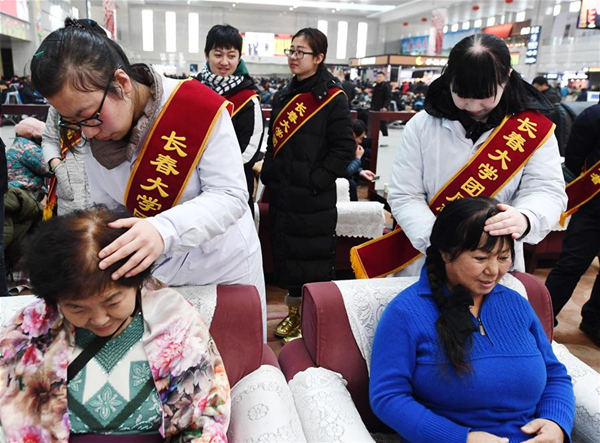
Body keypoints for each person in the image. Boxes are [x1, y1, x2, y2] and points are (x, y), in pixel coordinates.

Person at [30, 18, 266, 334]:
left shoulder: (195, 107)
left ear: (122, 83)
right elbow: (107, 206)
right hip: (149, 273)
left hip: (219, 265)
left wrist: (162, 230)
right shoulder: (90, 128)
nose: (88, 132)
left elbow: (230, 195)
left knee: (233, 360)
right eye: (74, 122)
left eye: (90, 117)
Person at [0, 207, 229, 440]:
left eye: (113, 301)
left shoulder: (174, 320)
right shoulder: (29, 330)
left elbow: (203, 419)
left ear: (138, 280)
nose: (99, 319)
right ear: (54, 300)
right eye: (76, 308)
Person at [370, 197, 575, 443]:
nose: (493, 271)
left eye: (503, 258)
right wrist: (460, 438)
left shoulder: (516, 303)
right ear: (446, 253)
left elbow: (555, 374)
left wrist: (556, 423)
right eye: (480, 258)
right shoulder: (406, 312)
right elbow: (388, 396)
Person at [386, 33, 567, 277]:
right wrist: (440, 242)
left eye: (484, 97)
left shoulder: (532, 129)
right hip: (431, 253)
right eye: (462, 95)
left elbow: (546, 190)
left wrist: (526, 217)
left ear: (507, 78)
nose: (473, 107)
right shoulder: (421, 125)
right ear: (449, 78)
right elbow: (406, 194)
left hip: (496, 261)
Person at [260, 27, 354, 342]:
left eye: (301, 52)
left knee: (311, 261)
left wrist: (317, 180)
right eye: (292, 51)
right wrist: (272, 173)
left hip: (314, 198)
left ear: (319, 57)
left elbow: (344, 148)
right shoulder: (283, 94)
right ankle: (293, 315)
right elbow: (274, 142)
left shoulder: (332, 97)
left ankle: (312, 320)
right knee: (287, 259)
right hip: (284, 194)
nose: (294, 57)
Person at [545, 101, 600, 346]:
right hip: (592, 210)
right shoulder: (593, 116)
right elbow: (574, 164)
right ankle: (541, 319)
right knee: (570, 266)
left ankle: (594, 320)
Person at [196, 24, 264, 216]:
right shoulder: (192, 90)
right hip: (193, 182)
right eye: (218, 54)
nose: (224, 62)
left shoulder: (248, 99)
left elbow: (250, 149)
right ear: (206, 54)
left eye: (231, 56)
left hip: (233, 184)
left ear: (239, 57)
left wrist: (213, 169)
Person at [42, 106, 92, 217]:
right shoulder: (57, 104)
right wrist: (57, 166)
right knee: (68, 230)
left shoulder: (105, 99)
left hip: (103, 187)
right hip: (68, 188)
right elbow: (49, 139)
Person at [344, 119, 375, 201]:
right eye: (360, 138)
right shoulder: (343, 146)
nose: (360, 141)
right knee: (352, 184)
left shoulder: (350, 146)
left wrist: (360, 172)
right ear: (353, 135)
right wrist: (358, 158)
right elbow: (345, 171)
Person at [371, 71, 391, 136]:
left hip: (382, 107)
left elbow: (388, 97)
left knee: (383, 124)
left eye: (380, 77)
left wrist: (385, 106)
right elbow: (373, 98)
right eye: (377, 77)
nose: (378, 78)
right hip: (375, 107)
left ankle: (385, 137)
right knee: (374, 124)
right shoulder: (376, 86)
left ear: (383, 78)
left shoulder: (386, 86)